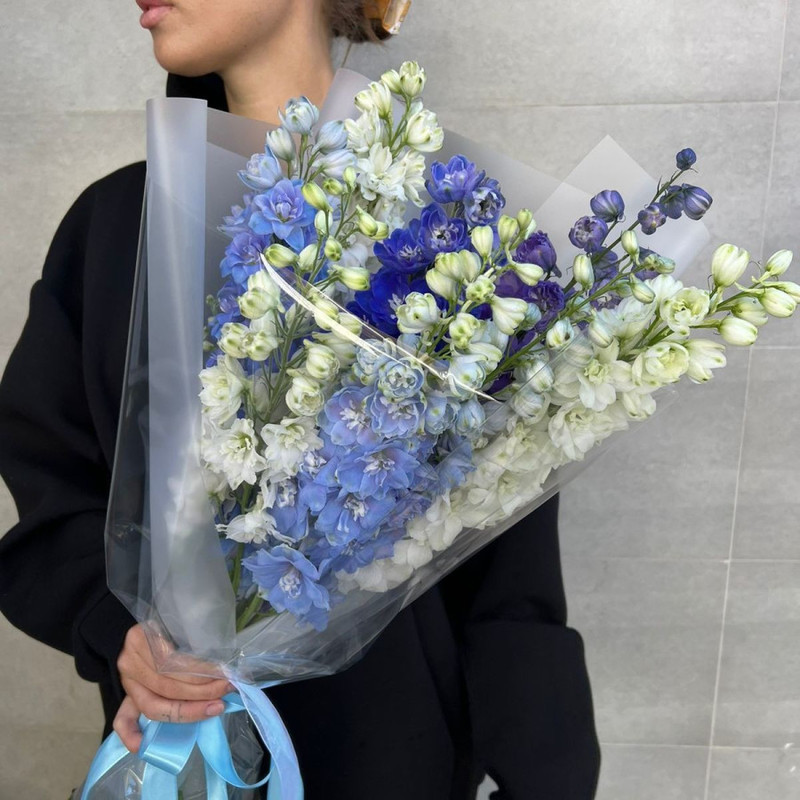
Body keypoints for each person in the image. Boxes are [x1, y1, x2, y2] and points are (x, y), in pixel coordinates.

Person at [0, 1, 601, 797]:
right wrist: (119, 631)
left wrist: (542, 782)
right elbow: (54, 488)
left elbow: (507, 578)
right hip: (175, 760)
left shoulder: (453, 239)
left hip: (395, 764)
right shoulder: (118, 227)